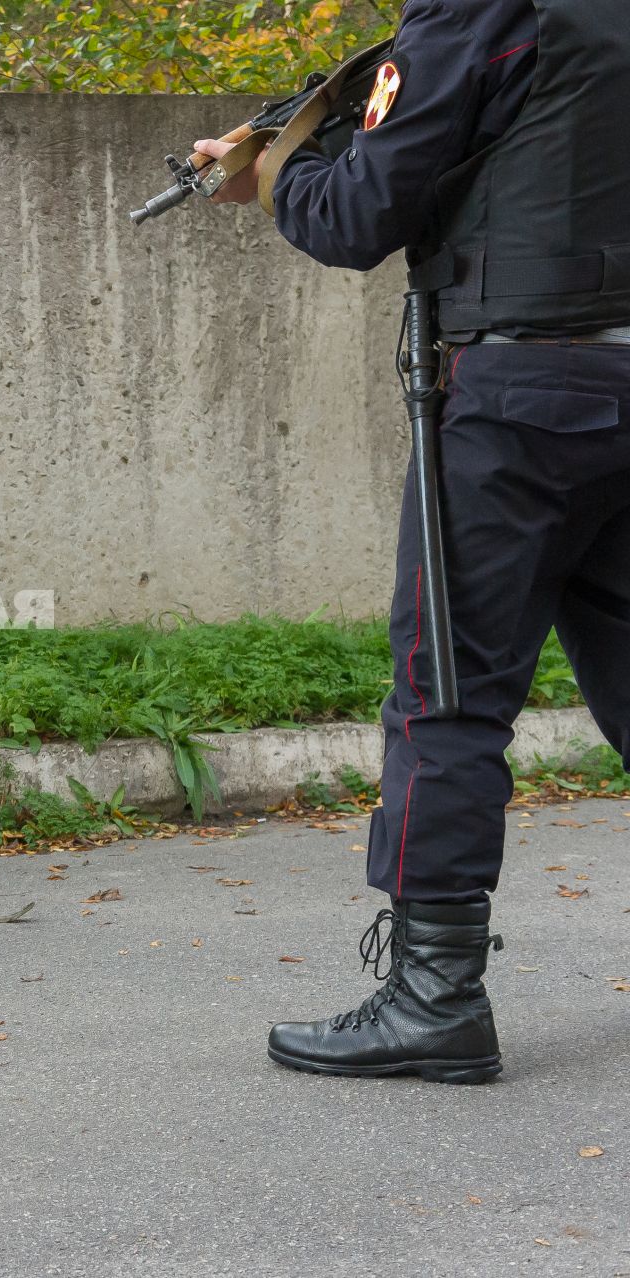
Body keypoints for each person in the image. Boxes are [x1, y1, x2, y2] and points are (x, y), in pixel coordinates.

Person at [202, 0, 630, 1082]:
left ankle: (435, 996)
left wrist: (274, 172)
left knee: (447, 686)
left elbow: (357, 215)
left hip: (520, 394)